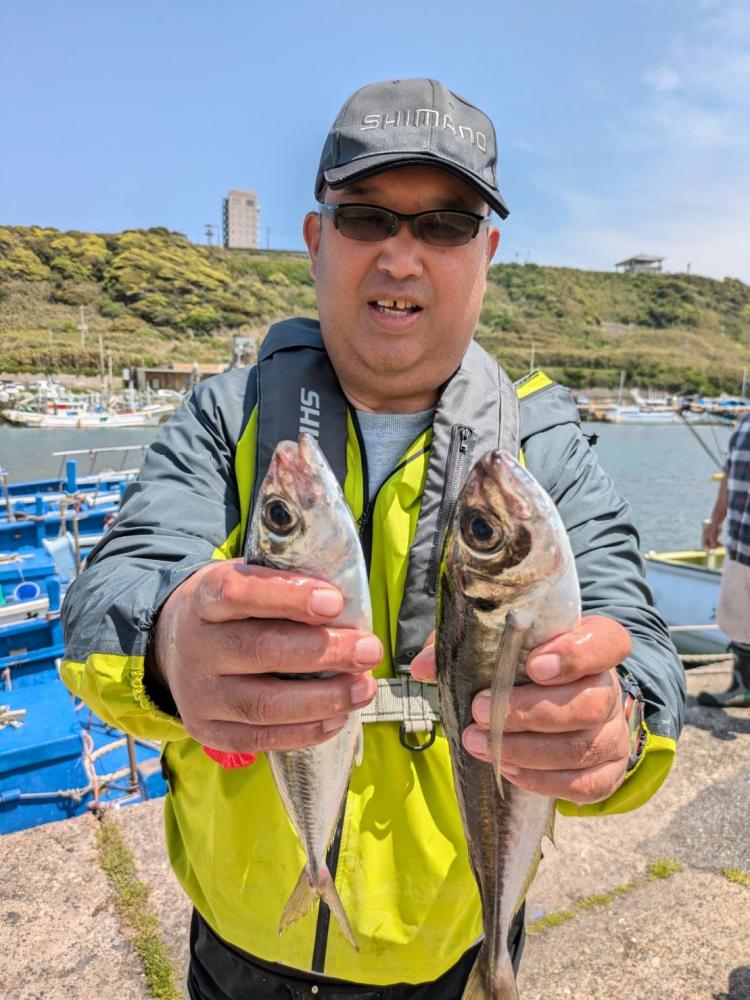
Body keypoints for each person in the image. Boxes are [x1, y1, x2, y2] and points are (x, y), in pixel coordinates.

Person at [61, 78, 685, 1000]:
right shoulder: (226, 417)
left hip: (453, 946)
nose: (400, 256)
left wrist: (615, 722)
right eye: (365, 218)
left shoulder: (542, 448)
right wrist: (167, 643)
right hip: (239, 942)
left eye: (445, 225)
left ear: (486, 255)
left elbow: (642, 643)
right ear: (316, 240)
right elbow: (107, 599)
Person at [698, 410, 750, 708]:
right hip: (740, 544)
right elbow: (728, 478)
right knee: (738, 619)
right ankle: (743, 688)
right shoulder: (744, 422)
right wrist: (715, 523)